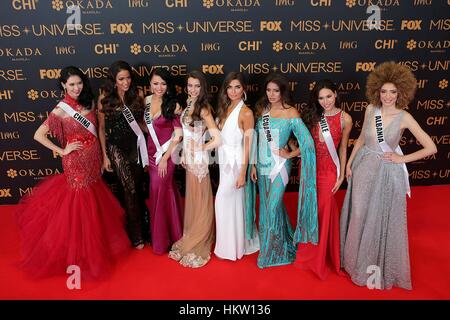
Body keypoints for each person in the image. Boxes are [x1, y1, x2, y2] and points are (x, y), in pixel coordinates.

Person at [16, 66, 130, 280]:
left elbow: (100, 130)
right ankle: (81, 252)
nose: (76, 88)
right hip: (75, 163)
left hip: (93, 160)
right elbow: (38, 135)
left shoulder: (90, 101)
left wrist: (103, 156)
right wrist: (62, 150)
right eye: (71, 85)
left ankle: (98, 244)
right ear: (63, 86)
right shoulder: (60, 110)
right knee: (79, 209)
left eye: (79, 83)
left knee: (94, 204)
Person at [340, 61, 437, 290]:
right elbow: (362, 138)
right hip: (364, 167)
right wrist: (350, 164)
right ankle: (353, 262)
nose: (388, 96)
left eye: (393, 92)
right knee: (359, 214)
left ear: (400, 92)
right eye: (384, 91)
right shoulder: (370, 109)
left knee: (376, 218)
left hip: (385, 173)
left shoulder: (404, 117)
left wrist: (400, 158)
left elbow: (431, 147)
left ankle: (370, 267)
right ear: (377, 91)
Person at [246, 73, 318, 268]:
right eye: (268, 90)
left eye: (276, 90)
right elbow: (255, 138)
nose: (271, 94)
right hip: (261, 165)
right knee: (267, 208)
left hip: (280, 166)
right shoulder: (262, 110)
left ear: (283, 91)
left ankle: (270, 255)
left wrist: (290, 154)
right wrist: (252, 164)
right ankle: (281, 240)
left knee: (272, 207)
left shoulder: (291, 113)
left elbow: (308, 143)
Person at [295, 79, 352, 280]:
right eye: (321, 98)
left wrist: (341, 173)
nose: (325, 101)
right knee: (309, 209)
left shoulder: (345, 118)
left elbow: (343, 147)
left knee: (325, 209)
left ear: (336, 94)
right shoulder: (312, 115)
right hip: (309, 169)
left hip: (329, 169)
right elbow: (300, 142)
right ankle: (307, 253)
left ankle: (323, 256)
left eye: (329, 96)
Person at [168, 70, 221, 267]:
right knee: (193, 200)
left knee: (200, 201)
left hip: (199, 162)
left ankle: (200, 237)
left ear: (203, 88)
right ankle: (192, 233)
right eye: (190, 85)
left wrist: (201, 147)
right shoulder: (187, 105)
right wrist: (183, 153)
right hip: (189, 160)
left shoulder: (204, 108)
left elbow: (217, 139)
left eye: (197, 86)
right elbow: (185, 134)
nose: (193, 89)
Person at [98, 60, 149, 249]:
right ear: (113, 80)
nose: (126, 82)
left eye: (128, 78)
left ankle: (143, 229)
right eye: (121, 79)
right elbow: (102, 128)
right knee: (129, 188)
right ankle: (136, 236)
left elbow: (143, 125)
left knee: (137, 188)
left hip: (136, 147)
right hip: (116, 148)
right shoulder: (105, 97)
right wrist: (104, 155)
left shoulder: (138, 95)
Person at [214, 72, 260, 261]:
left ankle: (231, 247)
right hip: (224, 161)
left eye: (237, 87)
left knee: (222, 201)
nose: (233, 91)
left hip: (236, 163)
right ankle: (232, 244)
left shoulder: (246, 112)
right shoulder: (225, 107)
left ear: (244, 89)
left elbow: (249, 144)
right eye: (230, 87)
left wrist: (243, 172)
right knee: (231, 204)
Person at [144, 68, 184, 255]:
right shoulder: (147, 101)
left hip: (166, 157)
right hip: (151, 154)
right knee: (160, 192)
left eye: (163, 83)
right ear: (150, 84)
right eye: (155, 83)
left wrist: (165, 158)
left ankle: (164, 240)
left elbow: (179, 135)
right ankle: (173, 233)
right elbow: (148, 127)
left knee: (160, 189)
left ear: (168, 86)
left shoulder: (174, 105)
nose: (159, 87)